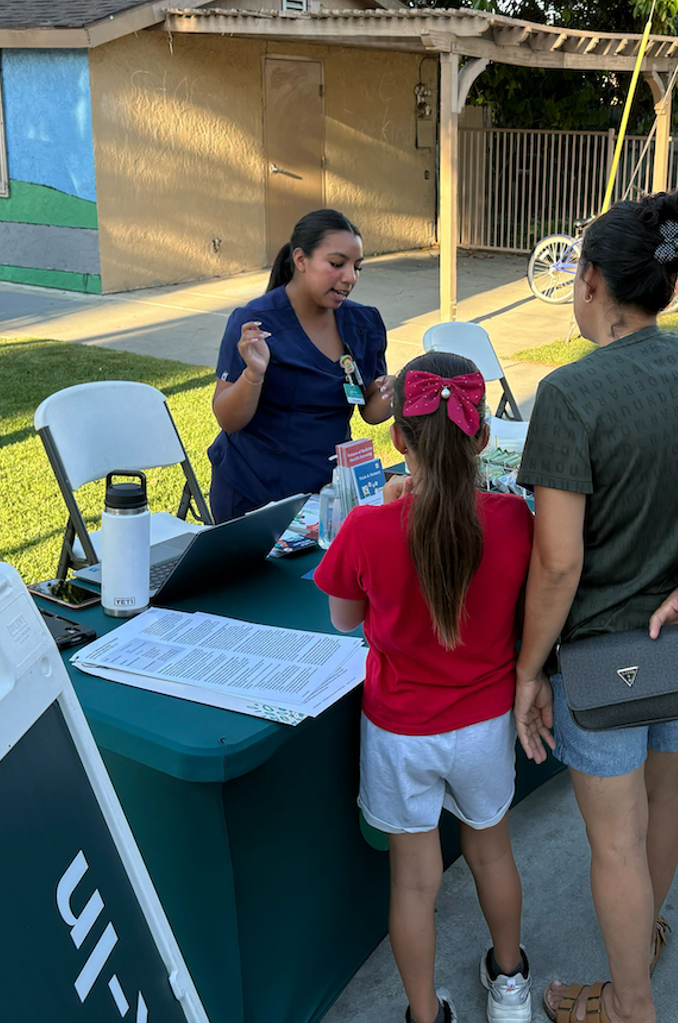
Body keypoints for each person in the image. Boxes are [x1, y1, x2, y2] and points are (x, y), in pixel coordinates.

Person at [315, 352, 535, 1023]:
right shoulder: (516, 521)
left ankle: (422, 1013)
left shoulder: (367, 527)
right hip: (485, 725)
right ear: (483, 439)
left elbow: (345, 618)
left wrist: (386, 515)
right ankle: (510, 984)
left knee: (413, 883)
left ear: (398, 438)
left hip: (401, 732)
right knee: (491, 853)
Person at [514, 192, 678, 1023]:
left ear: (587, 281)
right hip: (676, 650)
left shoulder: (571, 394)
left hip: (605, 664)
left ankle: (629, 1006)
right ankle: (642, 937)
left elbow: (557, 562)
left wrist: (527, 670)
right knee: (666, 808)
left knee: (616, 843)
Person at [209, 209, 394, 521]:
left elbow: (371, 412)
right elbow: (229, 419)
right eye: (336, 264)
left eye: (357, 267)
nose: (350, 277)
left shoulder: (364, 322)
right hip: (257, 495)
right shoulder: (255, 323)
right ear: (300, 259)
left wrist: (391, 391)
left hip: (331, 492)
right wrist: (254, 375)